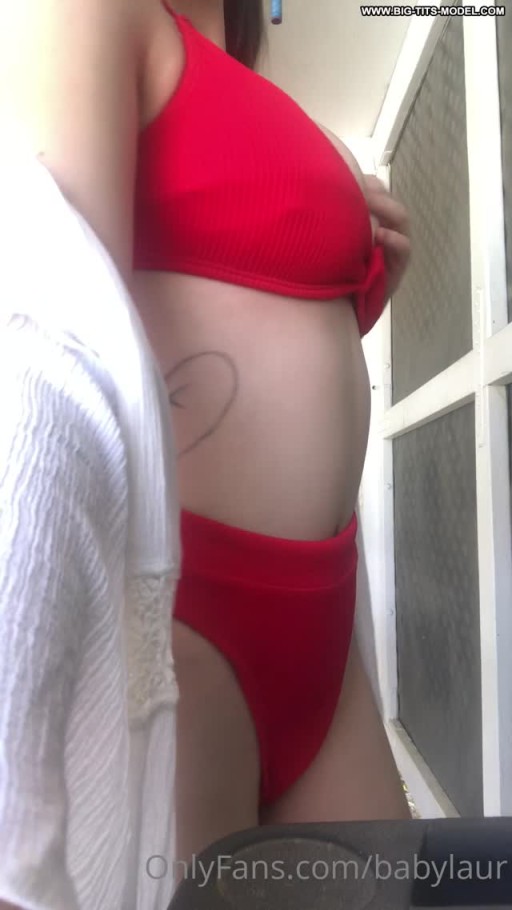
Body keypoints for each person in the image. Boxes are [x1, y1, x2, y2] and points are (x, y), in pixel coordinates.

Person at [0, 0, 411, 904]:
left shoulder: (263, 97)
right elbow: (54, 360)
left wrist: (361, 274)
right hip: (187, 626)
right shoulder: (90, 11)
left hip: (325, 634)